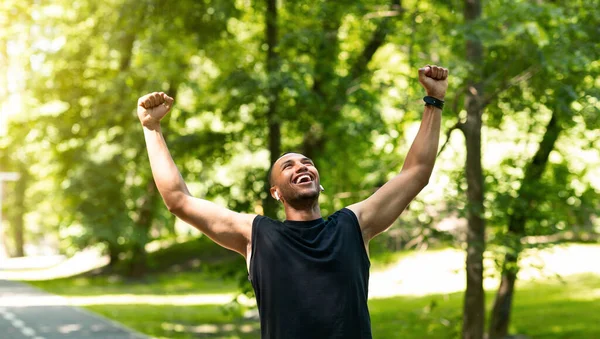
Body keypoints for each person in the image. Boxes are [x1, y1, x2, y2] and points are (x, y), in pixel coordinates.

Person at [137, 65, 448, 339]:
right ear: (276, 193)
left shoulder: (354, 225)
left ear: (318, 180)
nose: (301, 166)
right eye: (288, 166)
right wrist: (152, 128)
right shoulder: (256, 235)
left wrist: (434, 100)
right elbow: (178, 200)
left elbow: (417, 173)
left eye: (306, 162)